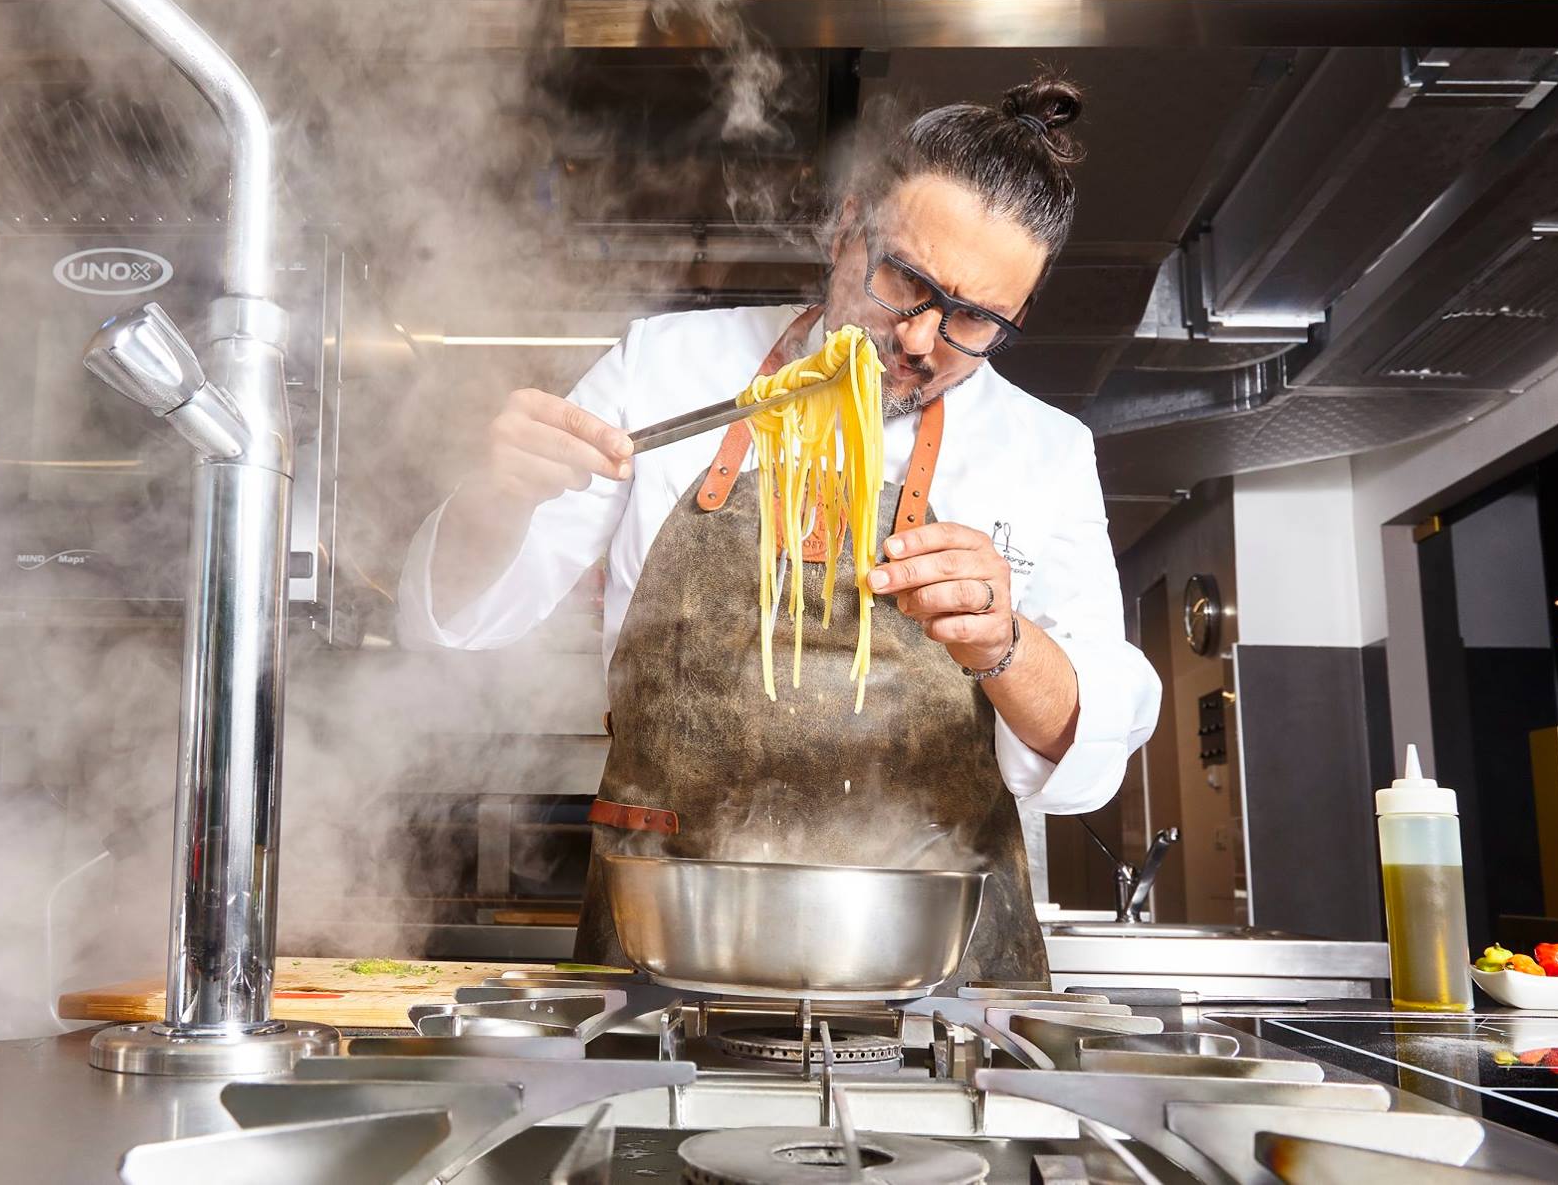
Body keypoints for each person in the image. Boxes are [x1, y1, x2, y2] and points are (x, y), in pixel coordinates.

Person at [399, 75, 1162, 985]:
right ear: (848, 229)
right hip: (670, 945)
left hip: (938, 974)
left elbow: (1091, 752)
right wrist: (497, 498)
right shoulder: (665, 369)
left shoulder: (1044, 451)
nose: (921, 340)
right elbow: (457, 621)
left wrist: (1005, 643)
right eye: (905, 281)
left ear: (1017, 318)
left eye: (973, 319)